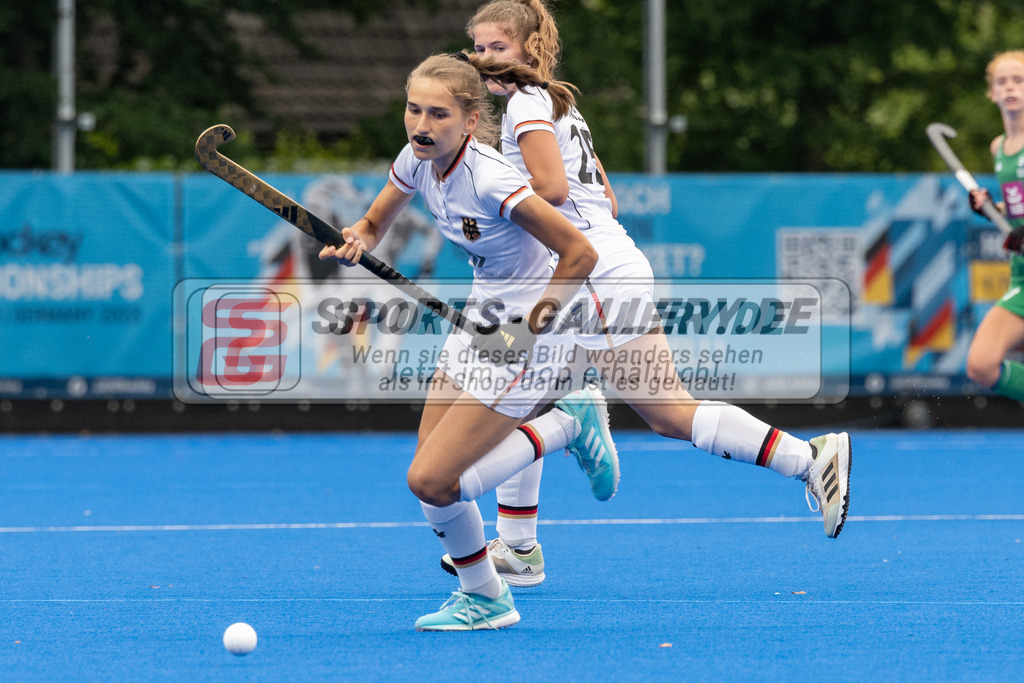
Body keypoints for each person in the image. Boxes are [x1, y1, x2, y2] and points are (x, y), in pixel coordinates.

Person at [435, 0, 853, 588]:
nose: (482, 59)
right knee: (520, 399)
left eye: (496, 48)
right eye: (476, 48)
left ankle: (809, 460)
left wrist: (493, 198)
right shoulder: (555, 100)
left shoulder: (526, 105)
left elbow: (553, 189)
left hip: (592, 277)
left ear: (528, 50)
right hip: (584, 270)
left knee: (666, 412)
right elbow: (606, 194)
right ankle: (520, 545)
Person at [318, 52, 619, 631]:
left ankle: (566, 424)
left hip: (530, 329)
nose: (421, 125)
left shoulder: (492, 179)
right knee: (434, 481)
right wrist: (356, 236)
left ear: (470, 118)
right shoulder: (416, 159)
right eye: (413, 110)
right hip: (480, 316)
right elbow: (376, 223)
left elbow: (581, 252)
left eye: (437, 114)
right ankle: (486, 595)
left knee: (433, 480)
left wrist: (530, 328)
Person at [966, 50, 1024, 401]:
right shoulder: (1000, 147)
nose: (1010, 87)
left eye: (1018, 80)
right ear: (992, 92)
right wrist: (990, 209)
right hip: (1021, 275)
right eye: (1002, 81)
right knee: (982, 365)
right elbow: (1017, 208)